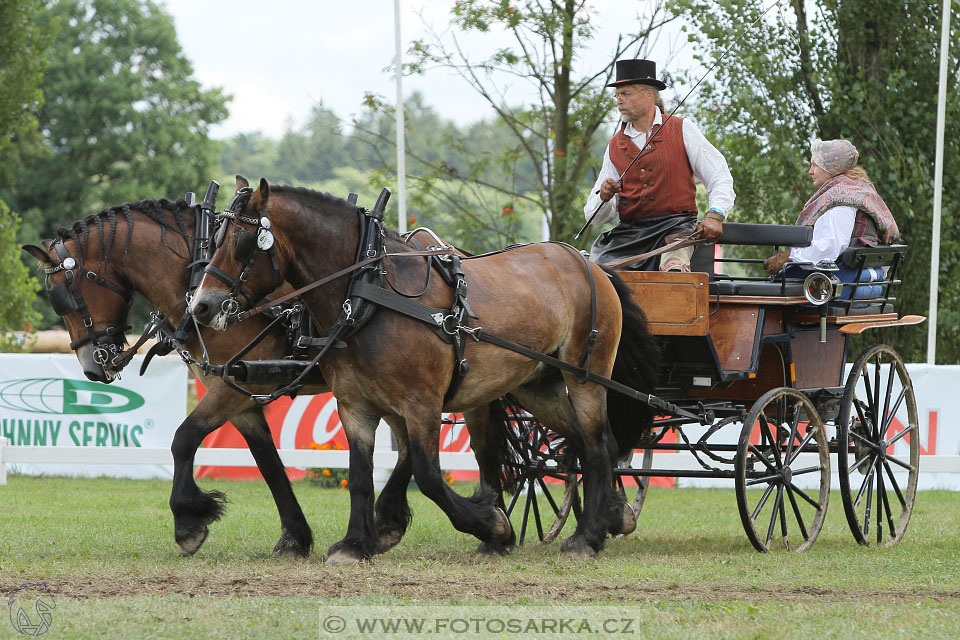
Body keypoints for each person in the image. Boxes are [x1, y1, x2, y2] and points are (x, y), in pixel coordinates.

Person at [584, 59, 735, 272]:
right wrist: (603, 196)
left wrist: (715, 214)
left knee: (674, 271)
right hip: (630, 235)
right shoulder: (615, 145)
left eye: (625, 94)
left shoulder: (681, 128)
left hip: (676, 229)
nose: (619, 100)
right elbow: (596, 217)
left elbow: (719, 175)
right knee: (596, 276)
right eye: (617, 95)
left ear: (648, 95)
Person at [762, 139, 899, 276]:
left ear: (831, 167)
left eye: (815, 165)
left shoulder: (841, 198)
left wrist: (789, 256)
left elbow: (829, 248)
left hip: (834, 277)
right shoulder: (856, 191)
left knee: (773, 284)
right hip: (854, 274)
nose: (810, 171)